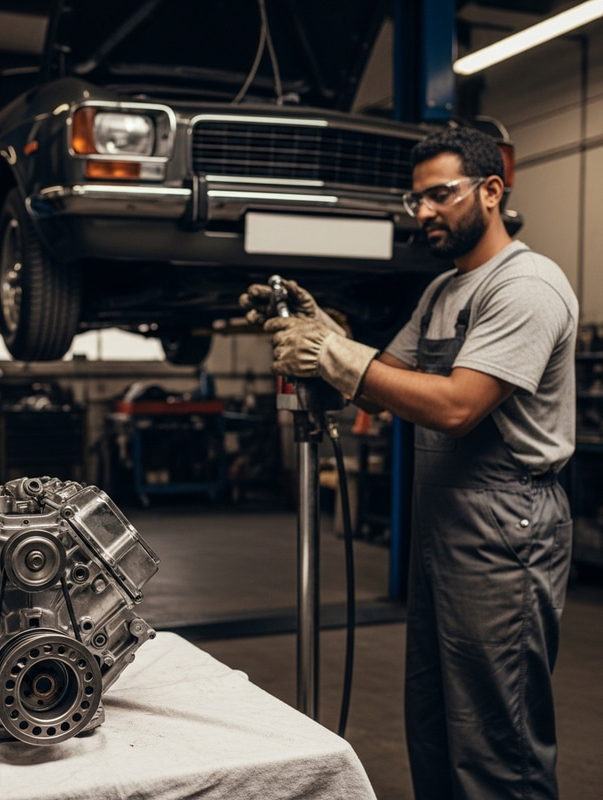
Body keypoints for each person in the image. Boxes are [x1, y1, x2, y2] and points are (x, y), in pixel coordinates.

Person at [240, 125, 578, 800]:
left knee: (496, 738)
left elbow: (457, 406)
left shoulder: (527, 285)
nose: (423, 211)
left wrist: (332, 354)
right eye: (416, 199)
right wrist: (325, 331)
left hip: (507, 527)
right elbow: (381, 382)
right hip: (445, 524)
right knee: (435, 723)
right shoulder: (442, 291)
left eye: (440, 195)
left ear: (491, 192)